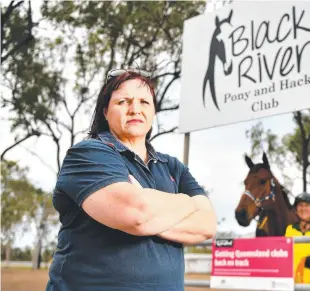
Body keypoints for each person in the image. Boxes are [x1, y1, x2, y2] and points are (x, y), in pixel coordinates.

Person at [46, 69, 217, 291]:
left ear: (153, 111)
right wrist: (188, 203)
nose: (135, 109)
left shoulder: (173, 166)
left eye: (144, 102)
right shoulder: (89, 154)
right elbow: (135, 214)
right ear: (105, 111)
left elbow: (207, 225)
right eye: (123, 101)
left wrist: (150, 216)